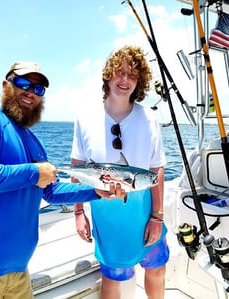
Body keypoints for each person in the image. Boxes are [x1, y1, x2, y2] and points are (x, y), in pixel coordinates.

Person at [0, 61, 126, 299]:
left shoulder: (33, 142)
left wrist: (96, 191)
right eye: (24, 83)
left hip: (18, 275)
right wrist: (34, 172)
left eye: (39, 89)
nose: (31, 92)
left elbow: (50, 192)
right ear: (5, 85)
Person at [71, 46, 169, 299]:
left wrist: (157, 218)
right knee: (113, 278)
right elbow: (77, 170)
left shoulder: (148, 118)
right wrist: (79, 213)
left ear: (140, 82)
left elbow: (156, 169)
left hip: (143, 210)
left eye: (132, 75)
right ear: (108, 75)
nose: (125, 80)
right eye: (119, 72)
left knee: (156, 268)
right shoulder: (84, 117)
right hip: (107, 215)